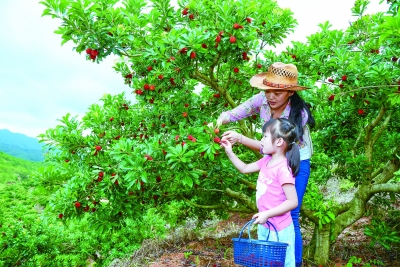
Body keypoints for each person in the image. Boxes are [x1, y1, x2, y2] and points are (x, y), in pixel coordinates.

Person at [216, 62, 315, 267]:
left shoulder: (298, 115)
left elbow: (275, 148)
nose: (271, 96)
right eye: (268, 90)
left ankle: (293, 263)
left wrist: (241, 138)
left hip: (296, 160)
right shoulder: (262, 99)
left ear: (289, 93)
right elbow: (238, 112)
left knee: (290, 213)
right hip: (273, 158)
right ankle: (272, 259)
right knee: (272, 212)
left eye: (277, 92)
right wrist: (220, 121)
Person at [221, 118, 300, 267]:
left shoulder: (283, 169)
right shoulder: (266, 161)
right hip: (265, 225)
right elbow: (244, 168)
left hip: (281, 228)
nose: (261, 140)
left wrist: (267, 214)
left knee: (284, 264)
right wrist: (229, 152)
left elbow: (293, 201)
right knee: (267, 263)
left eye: (264, 136)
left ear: (278, 142)